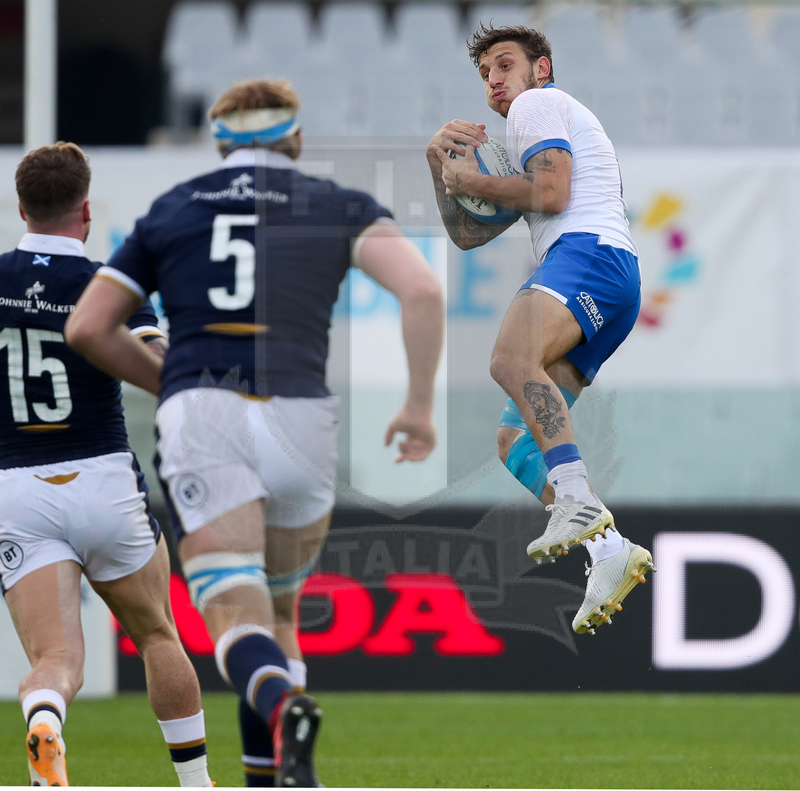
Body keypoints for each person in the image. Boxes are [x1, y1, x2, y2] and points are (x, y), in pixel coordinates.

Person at [66, 78, 444, 787]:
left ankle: (285, 704)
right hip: (302, 417)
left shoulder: (172, 210)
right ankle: (273, 780)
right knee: (279, 611)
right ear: (295, 139)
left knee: (233, 617)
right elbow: (422, 290)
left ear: (221, 143)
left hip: (206, 413)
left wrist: (170, 379)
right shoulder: (338, 204)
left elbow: (87, 326)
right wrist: (419, 405)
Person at [426, 25, 654, 635]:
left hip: (590, 257)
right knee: (517, 444)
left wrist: (469, 180)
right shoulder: (528, 128)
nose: (495, 80)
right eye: (485, 74)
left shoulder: (538, 104)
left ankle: (577, 502)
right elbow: (468, 234)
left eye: (505, 64)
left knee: (509, 359)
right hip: (609, 280)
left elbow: (551, 194)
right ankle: (608, 551)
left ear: (541, 68)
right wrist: (440, 169)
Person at [0, 142, 213, 786]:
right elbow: (160, 355)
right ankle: (196, 784)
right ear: (85, 210)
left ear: (21, 207)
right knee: (156, 633)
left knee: (58, 657)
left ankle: (44, 720)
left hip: (16, 487)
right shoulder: (106, 288)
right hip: (101, 477)